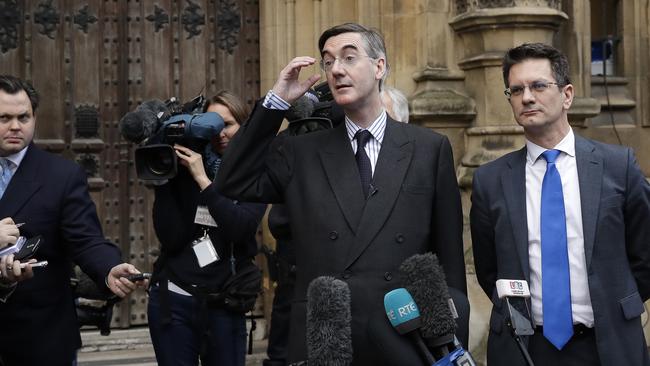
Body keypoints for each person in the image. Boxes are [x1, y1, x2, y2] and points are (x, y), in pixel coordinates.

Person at [217, 23, 467, 365]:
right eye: (328, 61)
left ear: (379, 67)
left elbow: (449, 261)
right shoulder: (300, 153)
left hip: (406, 333)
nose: (336, 69)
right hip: (326, 335)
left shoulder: (428, 149)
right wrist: (275, 102)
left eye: (349, 58)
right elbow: (232, 180)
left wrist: (451, 341)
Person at [470, 43, 650, 366]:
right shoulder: (490, 180)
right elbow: (489, 271)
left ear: (567, 95)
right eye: (516, 89)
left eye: (539, 85)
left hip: (605, 346)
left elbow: (645, 254)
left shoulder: (617, 166)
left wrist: (615, 303)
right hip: (525, 349)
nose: (526, 97)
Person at [0, 74, 145, 366]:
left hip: (40, 335)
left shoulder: (61, 176)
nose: (15, 126)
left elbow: (86, 240)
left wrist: (109, 269)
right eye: (4, 117)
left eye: (23, 117)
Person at [147, 90, 266, 366]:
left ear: (244, 126)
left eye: (227, 124)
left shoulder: (254, 171)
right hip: (174, 299)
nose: (219, 133)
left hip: (225, 303)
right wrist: (168, 179)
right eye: (211, 124)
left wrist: (204, 180)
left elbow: (241, 228)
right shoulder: (188, 165)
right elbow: (171, 237)